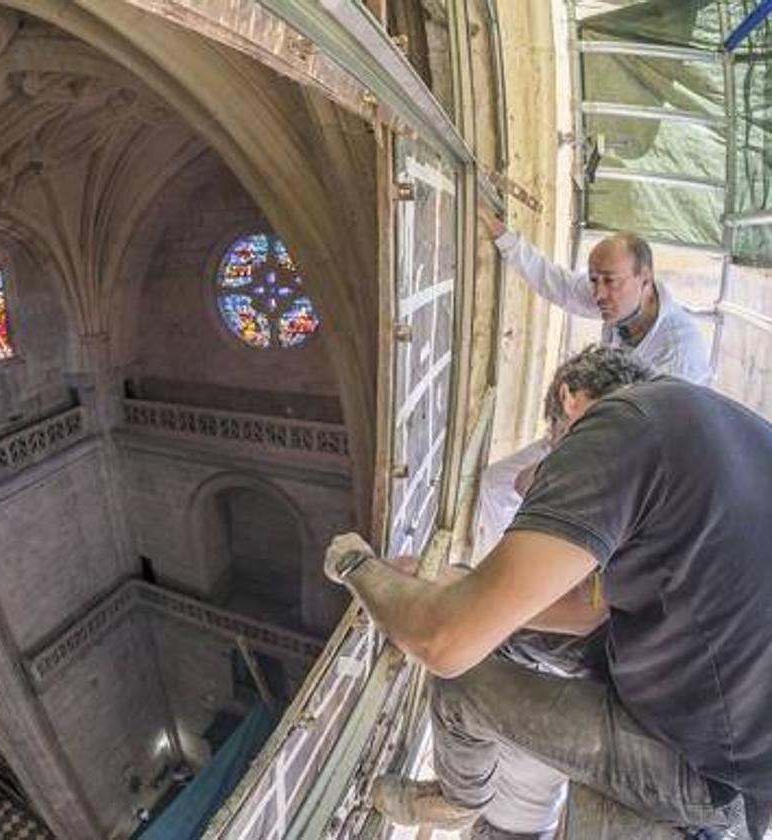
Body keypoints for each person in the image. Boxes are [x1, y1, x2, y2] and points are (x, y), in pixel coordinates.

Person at [325, 346, 772, 840]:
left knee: (459, 687)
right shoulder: (700, 421)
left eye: (552, 442)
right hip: (733, 725)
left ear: (570, 400)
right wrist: (456, 586)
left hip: (705, 768)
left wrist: (358, 565)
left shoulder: (615, 427)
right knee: (499, 634)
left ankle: (457, 801)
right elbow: (585, 611)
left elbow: (443, 643)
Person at [470, 218, 713, 837]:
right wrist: (506, 241)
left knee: (470, 681)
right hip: (601, 443)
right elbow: (559, 286)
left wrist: (485, 603)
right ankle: (517, 570)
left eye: (609, 281)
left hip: (637, 467)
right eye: (596, 280)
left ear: (645, 279)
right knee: (504, 482)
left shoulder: (679, 353)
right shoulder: (619, 307)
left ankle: (523, 581)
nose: (598, 294)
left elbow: (644, 452)